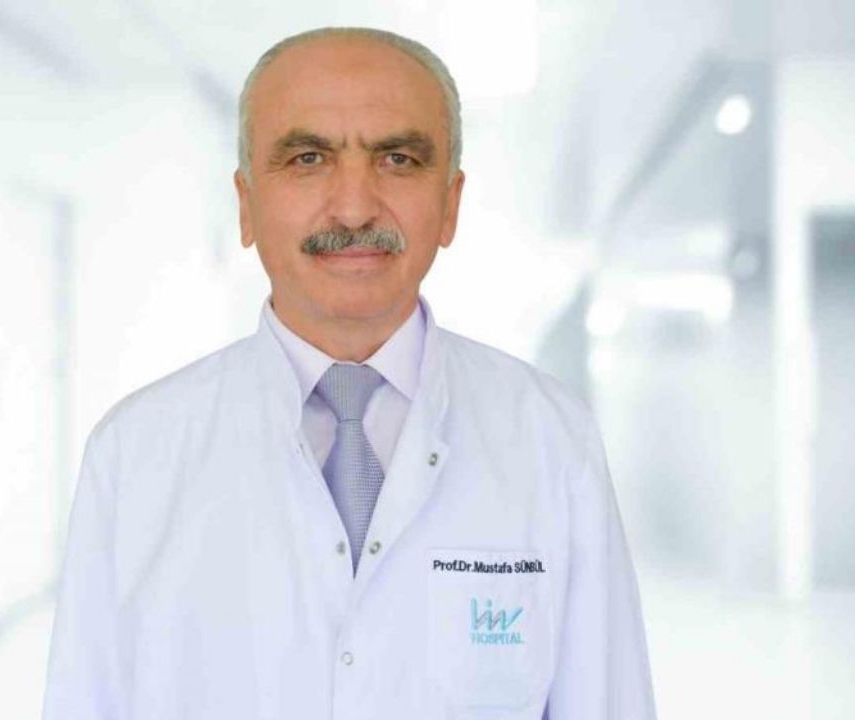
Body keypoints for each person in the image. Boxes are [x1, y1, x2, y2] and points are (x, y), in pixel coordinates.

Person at [43, 27, 656, 720]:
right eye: (308, 159)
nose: (356, 207)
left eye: (398, 159)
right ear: (246, 204)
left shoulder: (553, 440)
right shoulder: (134, 454)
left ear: (450, 204)